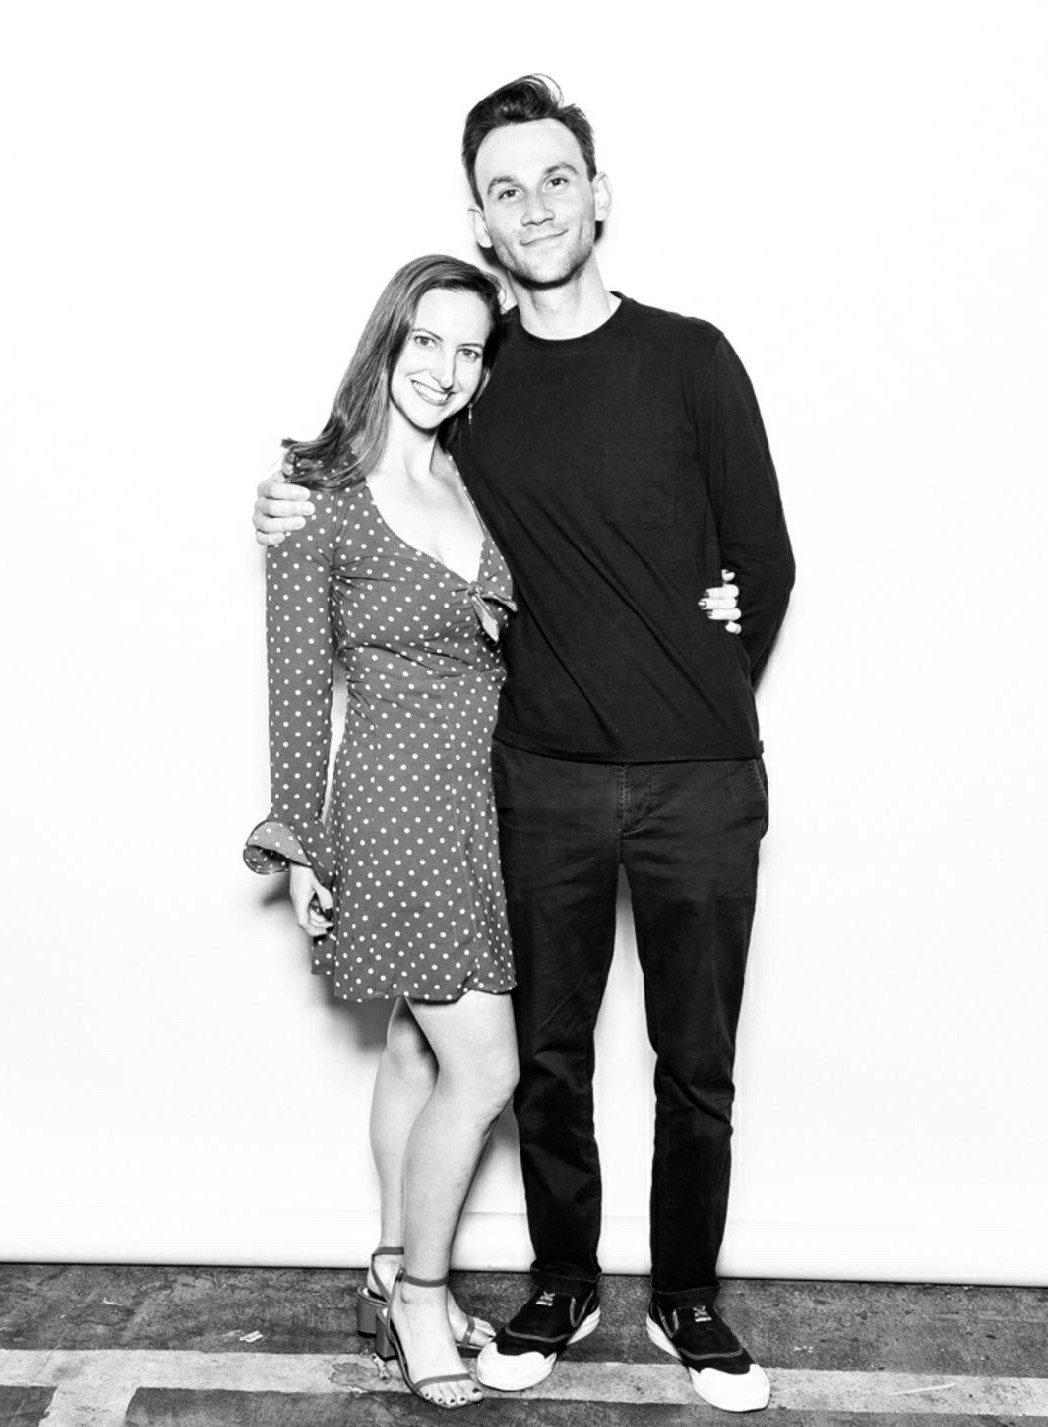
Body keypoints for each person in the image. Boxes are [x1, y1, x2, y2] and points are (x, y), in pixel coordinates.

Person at [255, 77, 795, 1414]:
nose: (535, 205)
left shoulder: (692, 357)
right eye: (506, 189)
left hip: (699, 776)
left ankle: (688, 1299)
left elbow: (764, 560)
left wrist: (695, 685)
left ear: (598, 193)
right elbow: (378, 467)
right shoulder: (476, 390)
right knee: (538, 1058)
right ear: (482, 221)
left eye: (556, 178)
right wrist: (291, 491)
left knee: (696, 1059)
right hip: (535, 781)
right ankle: (559, 1285)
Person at [244, 254, 521, 1410]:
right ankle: (420, 1296)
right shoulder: (318, 497)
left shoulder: (475, 478)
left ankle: (388, 1261)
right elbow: (297, 684)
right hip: (397, 809)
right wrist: (300, 841)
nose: (444, 369)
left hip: (485, 808)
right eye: (427, 341)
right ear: (387, 341)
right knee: (486, 1066)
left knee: (417, 1050)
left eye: (469, 350)